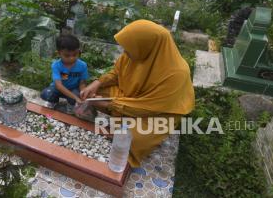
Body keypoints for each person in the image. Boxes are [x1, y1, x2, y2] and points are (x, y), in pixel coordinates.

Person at [80, 20, 195, 167]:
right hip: (131, 97)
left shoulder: (177, 73)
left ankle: (120, 120)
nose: (125, 52)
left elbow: (151, 107)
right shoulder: (136, 53)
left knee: (133, 138)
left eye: (128, 48)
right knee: (95, 92)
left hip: (158, 113)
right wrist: (97, 83)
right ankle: (118, 117)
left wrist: (111, 105)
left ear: (147, 46)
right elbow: (116, 73)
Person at [41, 34, 89, 113]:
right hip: (58, 89)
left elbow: (82, 83)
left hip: (73, 89)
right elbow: (58, 86)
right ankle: (53, 102)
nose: (72, 58)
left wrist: (83, 93)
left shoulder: (82, 65)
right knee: (46, 94)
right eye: (67, 55)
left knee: (77, 95)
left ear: (78, 51)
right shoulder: (56, 65)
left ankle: (70, 106)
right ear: (59, 53)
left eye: (75, 54)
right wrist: (75, 97)